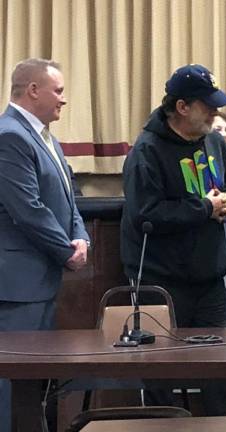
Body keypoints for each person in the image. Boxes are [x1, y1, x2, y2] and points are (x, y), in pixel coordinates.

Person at [120, 63, 226, 415]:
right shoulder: (146, 152)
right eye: (208, 105)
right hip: (162, 280)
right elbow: (147, 214)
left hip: (210, 278)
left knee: (222, 369)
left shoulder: (214, 142)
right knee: (161, 372)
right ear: (182, 107)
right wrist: (204, 207)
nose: (216, 112)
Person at [0, 58, 90, 431]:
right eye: (59, 90)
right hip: (18, 285)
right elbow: (28, 209)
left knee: (31, 383)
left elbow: (68, 199)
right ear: (33, 90)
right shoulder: (11, 135)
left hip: (39, 281)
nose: (63, 100)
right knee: (10, 385)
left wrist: (81, 235)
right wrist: (67, 250)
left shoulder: (43, 137)